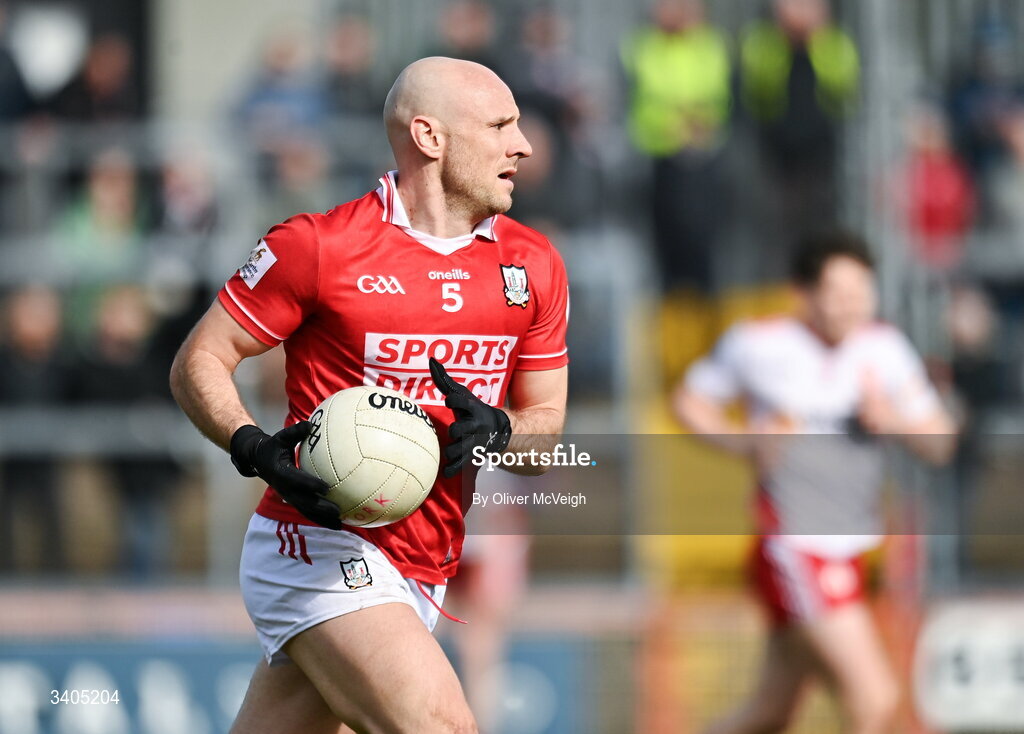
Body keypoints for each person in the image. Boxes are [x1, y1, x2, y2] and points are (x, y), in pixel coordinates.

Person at [170, 56, 569, 733]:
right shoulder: (319, 247)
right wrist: (252, 445)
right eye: (500, 125)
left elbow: (546, 429)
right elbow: (199, 360)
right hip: (317, 549)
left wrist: (500, 432)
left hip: (427, 559)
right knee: (444, 725)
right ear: (429, 137)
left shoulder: (532, 264)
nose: (522, 145)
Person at [674, 231, 955, 734]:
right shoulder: (759, 344)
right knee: (876, 699)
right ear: (803, 293)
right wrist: (743, 441)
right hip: (795, 544)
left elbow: (940, 441)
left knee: (769, 713)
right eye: (839, 293)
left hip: (853, 545)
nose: (853, 306)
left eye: (862, 293)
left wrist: (893, 420)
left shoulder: (884, 349)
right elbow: (690, 402)